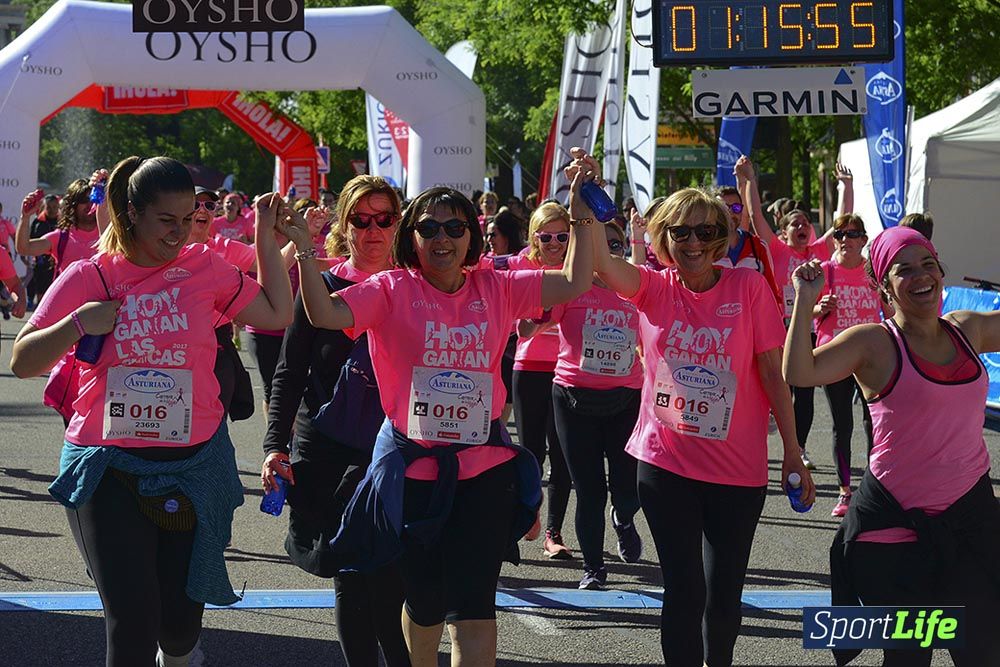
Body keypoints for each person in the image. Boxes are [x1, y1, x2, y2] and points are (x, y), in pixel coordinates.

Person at [288, 152, 598, 667]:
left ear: (470, 238)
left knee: (476, 608)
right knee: (426, 603)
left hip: (482, 470)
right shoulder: (391, 288)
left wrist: (580, 209)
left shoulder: (496, 285)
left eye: (455, 227)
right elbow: (324, 312)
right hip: (411, 472)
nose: (442, 237)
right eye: (428, 227)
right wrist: (303, 250)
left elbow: (574, 281)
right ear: (411, 238)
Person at [9, 156, 295, 667]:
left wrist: (268, 240)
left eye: (187, 220)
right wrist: (77, 323)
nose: (180, 232)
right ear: (131, 213)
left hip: (192, 467)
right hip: (107, 464)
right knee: (133, 621)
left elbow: (277, 313)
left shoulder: (206, 267)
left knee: (179, 625)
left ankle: (183, 655)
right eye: (167, 220)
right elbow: (23, 360)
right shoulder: (89, 274)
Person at [592, 182, 815, 666]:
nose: (692, 242)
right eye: (680, 232)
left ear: (721, 237)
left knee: (722, 598)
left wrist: (793, 452)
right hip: (665, 463)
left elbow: (772, 375)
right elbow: (602, 265)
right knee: (684, 589)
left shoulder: (748, 287)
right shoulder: (652, 286)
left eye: (705, 231)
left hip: (737, 470)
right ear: (663, 237)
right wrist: (579, 200)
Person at [785, 226, 1000, 666]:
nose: (921, 277)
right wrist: (805, 302)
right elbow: (800, 372)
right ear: (883, 285)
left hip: (969, 522)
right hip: (894, 530)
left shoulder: (967, 329)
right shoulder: (874, 342)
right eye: (904, 270)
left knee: (981, 649)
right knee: (909, 656)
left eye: (928, 265)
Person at [261, 175, 410, 667]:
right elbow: (289, 372)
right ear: (344, 226)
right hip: (328, 452)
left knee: (390, 583)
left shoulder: (414, 286)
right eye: (361, 220)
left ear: (398, 224)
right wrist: (273, 446)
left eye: (384, 219)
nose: (373, 230)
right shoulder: (319, 287)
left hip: (398, 452)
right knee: (349, 575)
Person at [522, 220, 643, 587]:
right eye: (597, 246)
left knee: (627, 487)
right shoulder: (570, 288)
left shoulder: (637, 288)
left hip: (625, 398)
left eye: (615, 245)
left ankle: (623, 517)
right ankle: (594, 568)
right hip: (573, 397)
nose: (607, 253)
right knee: (589, 489)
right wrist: (531, 314)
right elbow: (527, 328)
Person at [506, 202, 575, 556]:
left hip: (567, 371)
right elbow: (520, 325)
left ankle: (554, 533)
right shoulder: (520, 265)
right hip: (529, 368)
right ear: (534, 236)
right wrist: (531, 325)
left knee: (562, 456)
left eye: (562, 236)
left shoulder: (576, 267)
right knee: (531, 453)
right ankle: (527, 512)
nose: (554, 243)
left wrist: (543, 324)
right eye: (546, 236)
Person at [813, 214, 881, 517]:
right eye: (839, 234)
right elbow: (806, 309)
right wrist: (819, 307)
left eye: (852, 235)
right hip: (836, 352)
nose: (845, 240)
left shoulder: (873, 272)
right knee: (843, 424)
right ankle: (844, 492)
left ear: (863, 240)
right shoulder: (826, 271)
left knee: (875, 423)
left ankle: (875, 486)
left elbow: (890, 309)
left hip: (871, 355)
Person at [15, 177, 100, 275]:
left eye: (94, 198)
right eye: (84, 200)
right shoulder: (61, 237)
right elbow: (23, 248)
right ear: (73, 205)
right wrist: (25, 217)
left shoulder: (109, 236)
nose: (90, 204)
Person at [26, 194, 60, 308]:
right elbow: (29, 241)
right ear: (44, 207)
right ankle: (41, 310)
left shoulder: (63, 222)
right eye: (49, 207)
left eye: (55, 207)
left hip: (58, 262)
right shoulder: (38, 222)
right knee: (40, 289)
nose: (52, 210)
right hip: (40, 262)